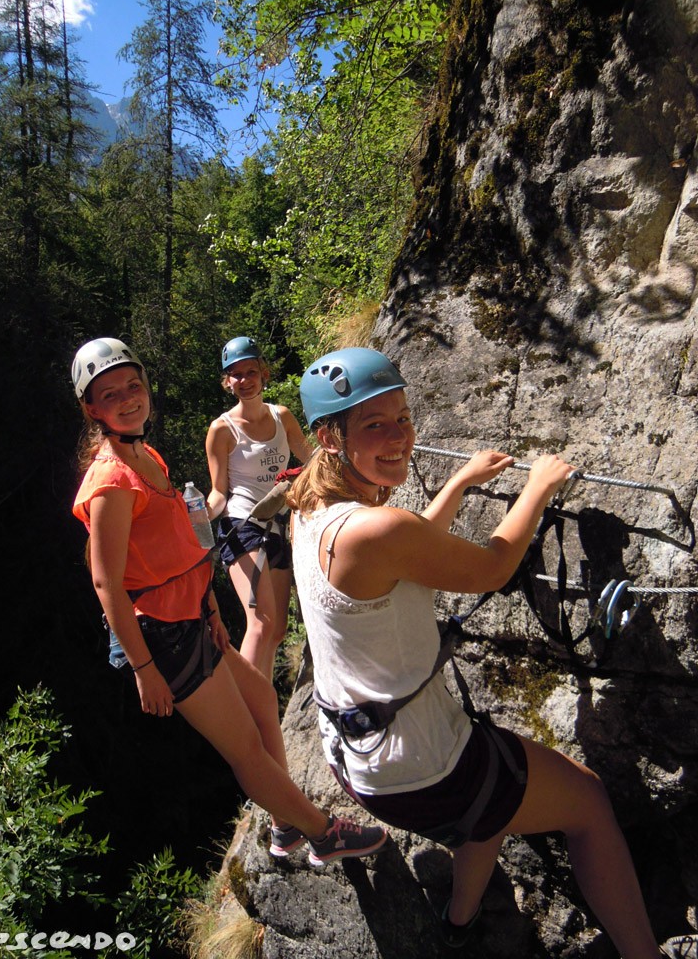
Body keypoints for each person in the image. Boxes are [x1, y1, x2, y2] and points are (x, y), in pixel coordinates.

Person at [287, 346, 663, 957]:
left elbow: (408, 557)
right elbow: (491, 566)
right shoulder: (373, 530)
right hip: (426, 766)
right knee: (587, 802)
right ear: (330, 437)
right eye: (374, 425)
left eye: (403, 417)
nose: (398, 437)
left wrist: (459, 481)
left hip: (359, 759)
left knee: (488, 805)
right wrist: (537, 487)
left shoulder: (309, 511)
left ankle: (459, 926)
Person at [69, 337, 387, 867]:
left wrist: (212, 611)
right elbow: (108, 584)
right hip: (161, 639)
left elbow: (182, 544)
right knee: (243, 745)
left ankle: (286, 824)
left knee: (262, 701)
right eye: (110, 394)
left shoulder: (144, 454)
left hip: (190, 620)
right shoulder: (110, 480)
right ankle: (321, 832)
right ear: (91, 408)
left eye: (133, 385)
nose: (128, 398)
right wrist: (146, 670)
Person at [205, 336, 313, 682]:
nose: (245, 380)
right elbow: (219, 493)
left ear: (264, 373)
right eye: (236, 375)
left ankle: (261, 701)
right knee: (260, 623)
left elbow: (311, 459)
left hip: (281, 521)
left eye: (251, 371)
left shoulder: (282, 417)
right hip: (243, 523)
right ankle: (248, 713)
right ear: (227, 382)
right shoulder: (222, 430)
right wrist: (198, 514)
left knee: (278, 629)